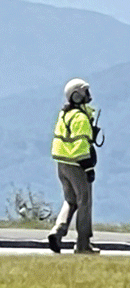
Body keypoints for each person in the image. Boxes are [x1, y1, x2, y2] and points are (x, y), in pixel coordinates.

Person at [48, 78, 101, 254]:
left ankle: (58, 230)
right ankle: (83, 244)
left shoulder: (64, 114)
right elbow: (80, 146)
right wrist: (88, 167)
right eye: (85, 92)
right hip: (76, 165)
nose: (89, 95)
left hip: (61, 164)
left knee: (70, 201)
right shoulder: (80, 118)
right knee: (84, 202)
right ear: (77, 95)